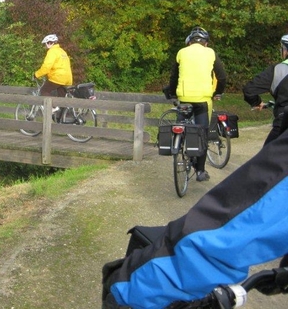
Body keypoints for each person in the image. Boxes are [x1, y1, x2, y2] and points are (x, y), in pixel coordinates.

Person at [102, 128, 288, 309]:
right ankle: (200, 169)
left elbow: (222, 238)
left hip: (186, 105)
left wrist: (128, 288)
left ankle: (197, 166)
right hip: (201, 106)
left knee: (194, 130)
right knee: (201, 134)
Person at [167, 26, 227, 182]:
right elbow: (222, 77)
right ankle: (200, 171)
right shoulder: (211, 53)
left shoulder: (181, 52)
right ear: (205, 43)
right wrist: (217, 92)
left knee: (182, 124)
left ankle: (180, 143)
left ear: (190, 42)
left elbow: (174, 77)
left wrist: (172, 93)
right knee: (203, 133)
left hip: (184, 97)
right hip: (203, 99)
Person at [243, 34, 288, 145]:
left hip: (284, 122)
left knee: (265, 159)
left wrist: (256, 102)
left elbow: (249, 90)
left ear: (285, 51)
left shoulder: (278, 70)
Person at [34, 34, 73, 98]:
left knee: (44, 91)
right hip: (68, 79)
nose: (45, 46)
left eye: (45, 43)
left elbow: (46, 67)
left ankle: (52, 107)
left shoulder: (52, 51)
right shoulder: (62, 51)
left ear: (50, 43)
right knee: (61, 98)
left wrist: (36, 74)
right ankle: (61, 108)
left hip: (57, 77)